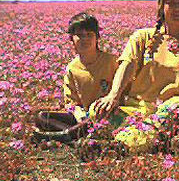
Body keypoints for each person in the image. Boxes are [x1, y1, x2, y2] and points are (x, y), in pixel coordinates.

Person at [92, 0, 179, 150]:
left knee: (178, 105)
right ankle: (129, 138)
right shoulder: (143, 37)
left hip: (167, 109)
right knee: (97, 110)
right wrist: (113, 96)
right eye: (171, 3)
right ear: (161, 9)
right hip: (135, 108)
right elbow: (127, 64)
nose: (177, 9)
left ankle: (119, 146)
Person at [33, 12, 118, 141]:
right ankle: (77, 134)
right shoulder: (72, 68)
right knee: (42, 117)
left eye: (89, 35)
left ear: (97, 37)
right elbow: (71, 102)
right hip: (84, 117)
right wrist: (79, 113)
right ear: (72, 39)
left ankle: (67, 135)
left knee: (93, 122)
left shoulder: (112, 61)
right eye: (80, 35)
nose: (85, 39)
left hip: (108, 114)